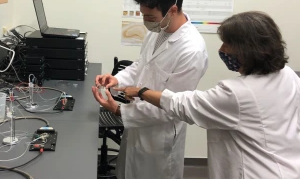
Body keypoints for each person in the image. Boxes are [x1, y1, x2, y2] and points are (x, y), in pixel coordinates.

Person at [93, 11, 300, 179]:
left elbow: (182, 103)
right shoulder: (288, 75)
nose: (222, 49)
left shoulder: (236, 92)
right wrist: (119, 80)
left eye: (227, 44)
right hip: (288, 166)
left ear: (248, 50)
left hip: (256, 171)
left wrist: (139, 93)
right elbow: (142, 65)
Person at [94, 0, 208, 179]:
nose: (146, 21)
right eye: (143, 15)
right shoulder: (159, 31)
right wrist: (117, 79)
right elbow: (141, 66)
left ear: (172, 10)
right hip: (137, 128)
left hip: (160, 138)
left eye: (150, 17)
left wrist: (120, 110)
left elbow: (171, 107)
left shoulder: (192, 51)